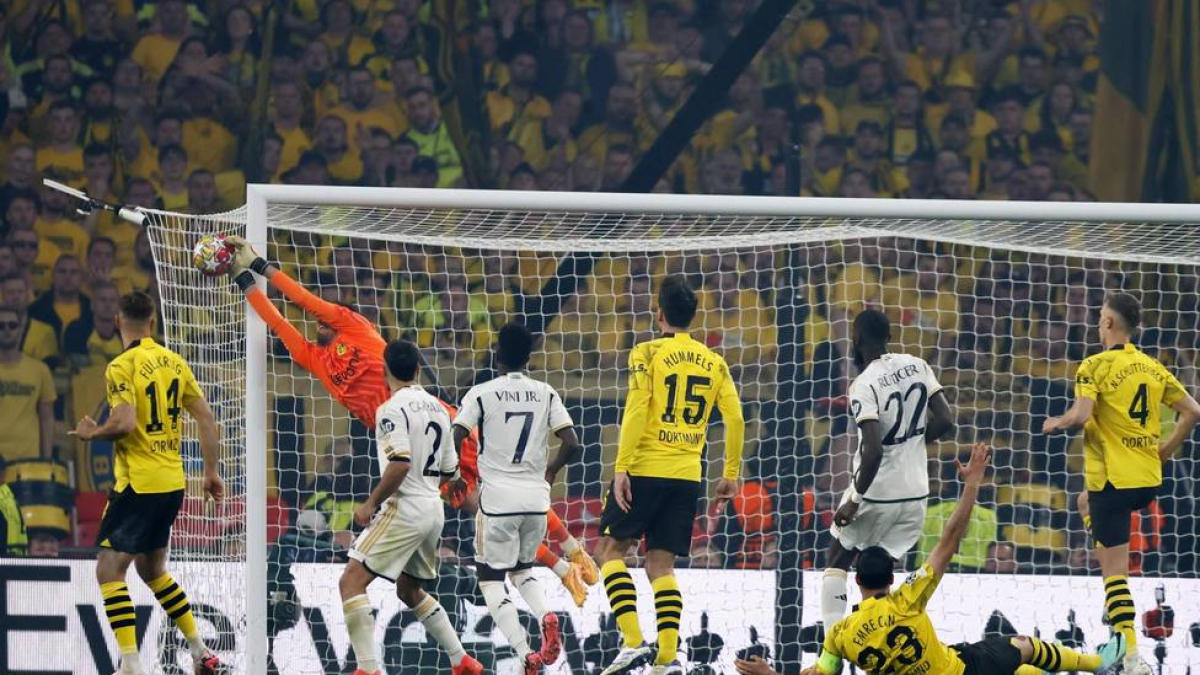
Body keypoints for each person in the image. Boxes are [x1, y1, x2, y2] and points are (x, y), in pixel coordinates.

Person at [224, 237, 597, 601]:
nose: (316, 322)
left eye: (323, 318)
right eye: (316, 322)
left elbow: (302, 299)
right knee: (484, 509)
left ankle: (572, 548)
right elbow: (277, 322)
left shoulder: (353, 326)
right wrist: (244, 281)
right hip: (413, 450)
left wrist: (259, 264)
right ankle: (563, 571)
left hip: (439, 423)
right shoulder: (315, 361)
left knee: (507, 485)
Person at [736, 444, 1123, 675]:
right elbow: (949, 541)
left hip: (952, 659)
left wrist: (769, 672)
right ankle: (1097, 664)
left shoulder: (842, 634)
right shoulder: (907, 598)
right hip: (959, 672)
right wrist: (971, 483)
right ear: (892, 576)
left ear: (857, 581)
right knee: (1021, 647)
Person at [595, 275, 745, 675]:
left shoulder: (646, 352)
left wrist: (621, 466)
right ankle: (665, 658)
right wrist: (730, 472)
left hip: (645, 467)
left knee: (609, 553)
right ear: (693, 316)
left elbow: (638, 408)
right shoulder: (715, 361)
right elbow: (735, 416)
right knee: (661, 566)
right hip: (687, 475)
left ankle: (631, 643)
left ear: (658, 313)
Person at [1043, 292, 1200, 675]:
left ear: (1110, 324)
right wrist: (1161, 454)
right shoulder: (1150, 366)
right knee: (1084, 503)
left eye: (1099, 319)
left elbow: (1081, 414)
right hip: (1147, 480)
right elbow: (1193, 411)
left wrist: (1056, 422)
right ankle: (1119, 615)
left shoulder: (1093, 366)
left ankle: (1130, 655)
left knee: (1113, 574)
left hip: (1113, 483)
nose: (1098, 325)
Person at [69, 291, 224, 675]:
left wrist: (93, 433)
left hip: (139, 482)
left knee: (108, 570)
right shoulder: (175, 362)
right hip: (173, 482)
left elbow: (124, 423)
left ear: (119, 322)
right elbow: (206, 417)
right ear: (153, 323)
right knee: (152, 571)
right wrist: (211, 472)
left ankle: (132, 664)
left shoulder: (121, 366)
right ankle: (201, 650)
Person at [339, 340, 483, 675]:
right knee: (409, 588)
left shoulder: (390, 409)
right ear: (418, 369)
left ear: (384, 370)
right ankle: (461, 659)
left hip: (404, 506)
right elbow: (451, 471)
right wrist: (456, 484)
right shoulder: (438, 409)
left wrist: (370, 503)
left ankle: (367, 669)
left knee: (350, 583)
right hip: (433, 509)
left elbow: (400, 463)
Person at [451, 322, 584, 675]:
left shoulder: (481, 392)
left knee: (491, 579)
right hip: (535, 500)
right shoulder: (546, 392)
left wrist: (451, 475)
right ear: (529, 357)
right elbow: (572, 441)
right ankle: (546, 615)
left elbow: (456, 434)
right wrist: (552, 471)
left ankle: (527, 654)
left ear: (497, 353)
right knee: (523, 570)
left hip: (496, 501)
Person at [820, 309, 954, 630]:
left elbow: (874, 448)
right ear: (890, 337)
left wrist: (855, 498)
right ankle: (882, 638)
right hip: (916, 494)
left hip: (878, 492)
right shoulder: (918, 365)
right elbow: (947, 420)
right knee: (881, 573)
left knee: (837, 558)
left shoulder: (863, 384)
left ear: (856, 339)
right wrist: (915, 443)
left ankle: (832, 648)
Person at [0, 306, 56, 460]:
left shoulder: (39, 370)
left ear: (20, 329)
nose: (6, 330)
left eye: (12, 325)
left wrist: (46, 458)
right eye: (1, 325)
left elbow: (47, 417)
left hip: (27, 461)